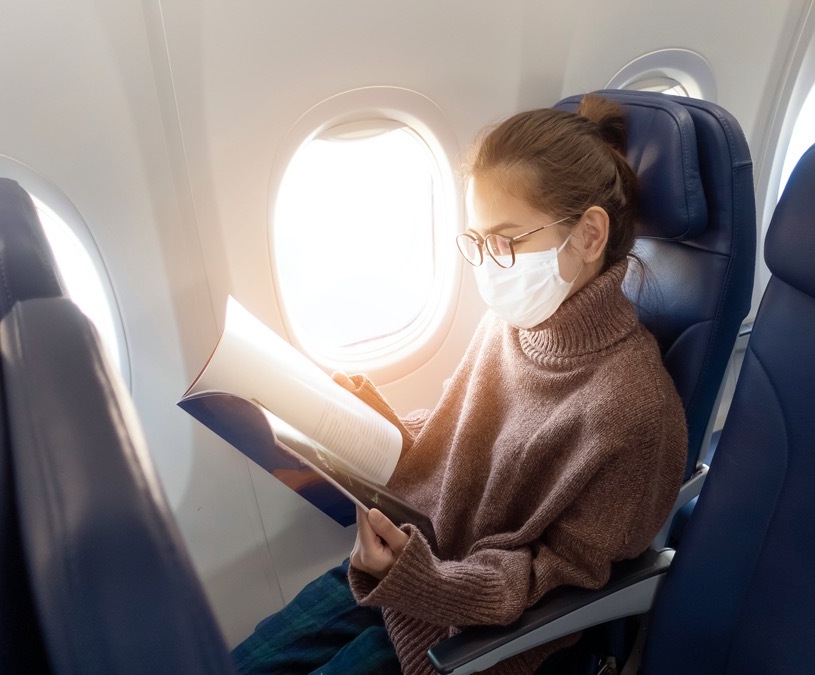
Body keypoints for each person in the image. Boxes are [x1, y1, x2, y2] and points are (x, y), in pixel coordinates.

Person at [232, 93, 688, 675]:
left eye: (505, 240)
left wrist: (425, 582)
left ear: (590, 236)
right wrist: (355, 421)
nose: (487, 265)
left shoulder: (635, 410)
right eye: (476, 241)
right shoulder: (509, 326)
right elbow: (458, 435)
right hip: (410, 567)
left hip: (472, 628)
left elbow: (550, 584)